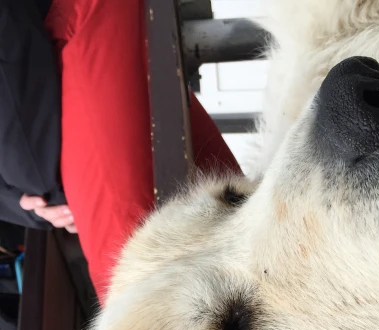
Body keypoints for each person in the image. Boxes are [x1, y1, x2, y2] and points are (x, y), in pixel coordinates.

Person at [0, 0, 240, 303]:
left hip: (67, 34)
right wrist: (21, 200)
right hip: (47, 96)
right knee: (240, 230)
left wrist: (33, 185)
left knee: (138, 290)